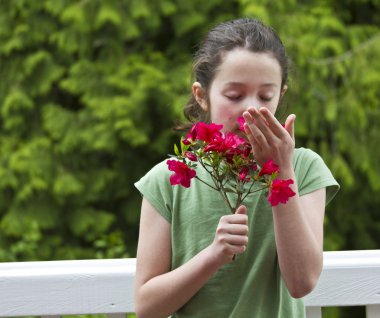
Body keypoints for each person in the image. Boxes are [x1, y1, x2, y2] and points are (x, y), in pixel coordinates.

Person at [134, 18, 339, 318]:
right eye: (235, 96)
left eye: (265, 96)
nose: (251, 108)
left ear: (280, 95)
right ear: (201, 96)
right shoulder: (167, 180)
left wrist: (281, 170)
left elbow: (302, 282)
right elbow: (146, 307)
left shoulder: (304, 168)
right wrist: (213, 256)